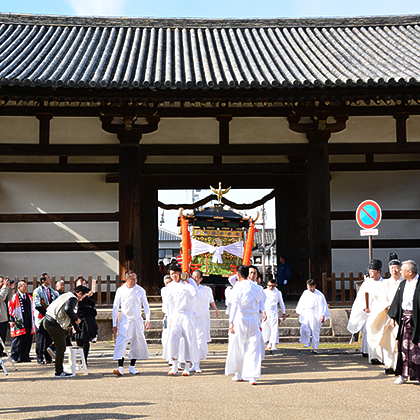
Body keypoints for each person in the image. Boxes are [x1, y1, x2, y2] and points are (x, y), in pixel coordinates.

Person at [225, 265, 266, 385]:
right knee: (253, 346)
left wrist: (231, 322)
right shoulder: (257, 287)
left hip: (240, 318)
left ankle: (239, 373)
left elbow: (234, 306)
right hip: (253, 318)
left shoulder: (237, 287)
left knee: (238, 346)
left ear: (238, 275)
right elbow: (261, 302)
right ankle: (252, 376)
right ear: (248, 274)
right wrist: (263, 312)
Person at [43, 285, 89, 378]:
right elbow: (68, 309)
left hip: (47, 321)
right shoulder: (73, 298)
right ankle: (58, 372)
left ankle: (52, 347)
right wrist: (76, 319)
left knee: (66, 332)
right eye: (83, 296)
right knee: (61, 348)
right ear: (79, 294)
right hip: (54, 324)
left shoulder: (67, 295)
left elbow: (68, 312)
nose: (82, 299)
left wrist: (75, 325)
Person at [367, 256, 403, 374]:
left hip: (402, 315)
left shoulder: (404, 283)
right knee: (389, 341)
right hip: (388, 315)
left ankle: (399, 365)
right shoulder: (386, 283)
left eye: (397, 268)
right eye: (392, 268)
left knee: (399, 342)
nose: (394, 270)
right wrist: (388, 307)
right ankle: (390, 365)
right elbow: (380, 297)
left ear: (400, 269)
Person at [112, 270, 150, 376]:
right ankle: (120, 367)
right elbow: (115, 307)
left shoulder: (140, 290)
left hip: (137, 319)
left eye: (135, 279)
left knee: (136, 342)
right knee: (121, 342)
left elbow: (146, 306)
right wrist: (114, 323)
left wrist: (148, 319)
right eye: (132, 279)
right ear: (126, 279)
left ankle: (132, 366)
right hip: (125, 319)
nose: (134, 281)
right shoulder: (120, 290)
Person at [388, 260, 420, 385]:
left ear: (410, 272)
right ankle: (403, 374)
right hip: (404, 320)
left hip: (417, 320)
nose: (400, 272)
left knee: (417, 349)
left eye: (402, 270)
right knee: (403, 348)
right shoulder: (403, 284)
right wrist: (393, 317)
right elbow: (397, 302)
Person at [347, 259, 384, 363]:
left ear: (378, 272)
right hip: (368, 311)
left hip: (379, 311)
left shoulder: (384, 283)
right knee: (367, 331)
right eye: (370, 271)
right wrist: (363, 306)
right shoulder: (366, 283)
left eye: (373, 271)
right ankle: (367, 351)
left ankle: (377, 355)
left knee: (378, 332)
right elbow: (360, 297)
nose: (370, 273)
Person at [165, 264, 199, 376]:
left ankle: (187, 367)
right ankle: (174, 365)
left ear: (180, 273)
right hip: (176, 314)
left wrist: (187, 281)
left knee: (188, 339)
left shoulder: (189, 282)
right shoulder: (170, 286)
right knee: (173, 339)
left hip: (188, 314)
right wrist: (169, 317)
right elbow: (169, 303)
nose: (173, 276)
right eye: (171, 274)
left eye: (175, 273)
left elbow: (194, 293)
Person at [190, 269, 219, 373]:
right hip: (191, 317)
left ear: (201, 279)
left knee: (200, 340)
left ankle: (197, 363)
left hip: (202, 317)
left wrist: (216, 309)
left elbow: (211, 300)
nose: (194, 278)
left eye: (196, 277)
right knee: (191, 340)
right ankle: (193, 363)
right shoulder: (188, 288)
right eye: (192, 276)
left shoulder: (206, 289)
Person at [296, 279, 330, 350]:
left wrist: (323, 315)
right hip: (306, 313)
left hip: (316, 314)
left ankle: (315, 347)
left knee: (315, 330)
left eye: (311, 287)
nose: (310, 289)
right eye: (308, 287)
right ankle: (307, 341)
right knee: (304, 327)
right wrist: (300, 313)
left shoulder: (319, 295)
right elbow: (301, 303)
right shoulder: (305, 293)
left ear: (315, 286)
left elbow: (323, 306)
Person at [32, 273, 59, 364]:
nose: (50, 280)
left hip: (50, 317)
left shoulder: (52, 291)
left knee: (49, 338)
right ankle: (39, 357)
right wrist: (46, 313)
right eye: (47, 278)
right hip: (41, 317)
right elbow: (37, 305)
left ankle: (48, 357)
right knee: (40, 338)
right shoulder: (37, 291)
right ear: (43, 280)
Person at [8, 280, 36, 363]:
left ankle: (25, 356)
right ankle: (15, 356)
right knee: (18, 339)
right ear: (18, 287)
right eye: (23, 286)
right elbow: (10, 308)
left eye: (26, 285)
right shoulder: (14, 296)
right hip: (18, 320)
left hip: (28, 319)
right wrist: (12, 319)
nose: (26, 287)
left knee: (27, 338)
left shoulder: (28, 296)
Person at [74, 276, 98, 363]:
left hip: (88, 320)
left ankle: (84, 359)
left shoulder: (89, 294)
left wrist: (89, 296)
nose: (84, 285)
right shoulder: (75, 294)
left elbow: (91, 305)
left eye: (85, 283)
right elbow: (78, 303)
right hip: (79, 318)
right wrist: (86, 297)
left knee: (85, 340)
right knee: (79, 340)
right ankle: (81, 357)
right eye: (82, 284)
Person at [262, 279, 286, 350]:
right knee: (266, 328)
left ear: (275, 285)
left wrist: (283, 312)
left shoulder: (278, 292)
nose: (271, 287)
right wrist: (263, 312)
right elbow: (262, 302)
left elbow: (281, 303)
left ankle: (273, 344)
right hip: (266, 311)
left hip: (274, 312)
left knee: (274, 328)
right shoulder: (264, 292)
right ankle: (267, 342)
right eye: (269, 286)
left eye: (272, 286)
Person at [0, 276, 14, 358]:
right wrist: (5, 287)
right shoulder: (2, 290)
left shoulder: (3, 290)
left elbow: (8, 298)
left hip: (3, 319)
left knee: (2, 340)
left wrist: (11, 288)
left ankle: (0, 355)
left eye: (4, 281)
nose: (3, 283)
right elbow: (1, 298)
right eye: (1, 282)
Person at [161, 274, 172, 365]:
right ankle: (168, 356)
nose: (169, 284)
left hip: (175, 316)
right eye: (167, 283)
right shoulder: (164, 290)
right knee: (166, 338)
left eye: (170, 282)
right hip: (167, 316)